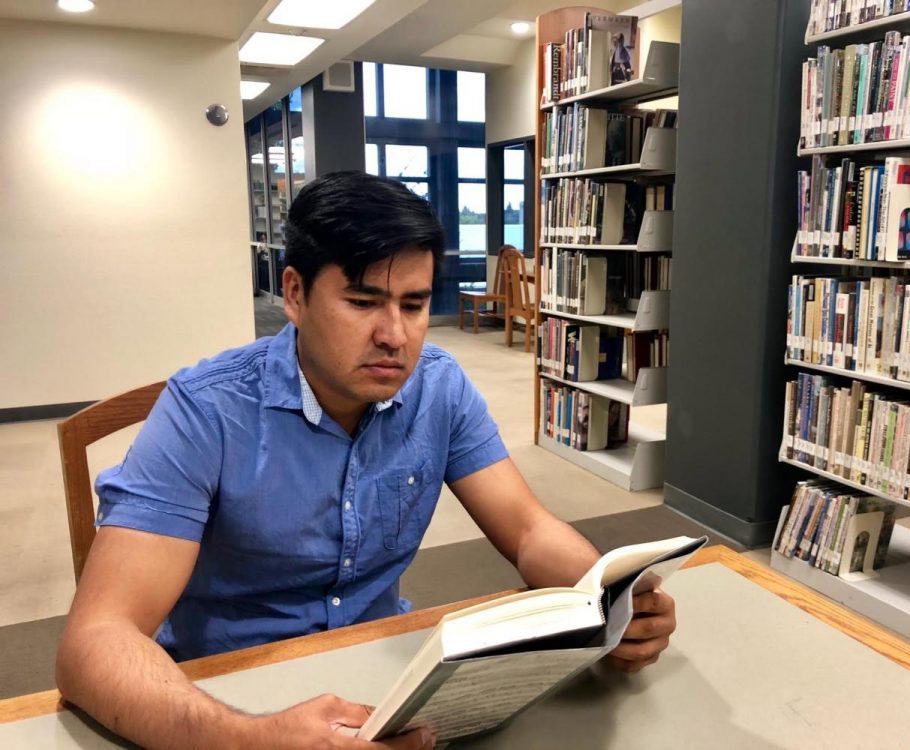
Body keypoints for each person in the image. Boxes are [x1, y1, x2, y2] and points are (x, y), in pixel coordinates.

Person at [55, 171, 677, 750]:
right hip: (222, 694)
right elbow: (94, 643)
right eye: (362, 302)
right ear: (294, 293)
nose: (395, 336)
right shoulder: (205, 412)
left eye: (413, 305)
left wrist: (607, 598)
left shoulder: (439, 388)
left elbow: (529, 529)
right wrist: (255, 739)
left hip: (386, 688)